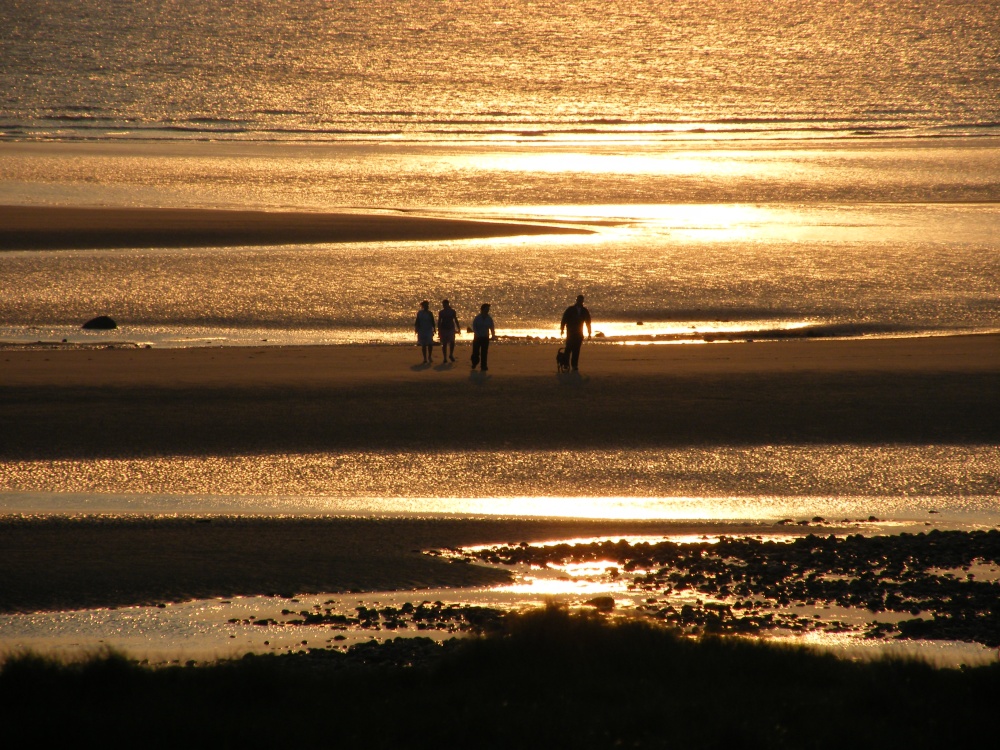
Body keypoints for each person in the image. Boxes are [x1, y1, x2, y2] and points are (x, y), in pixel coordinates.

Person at [559, 294, 592, 371]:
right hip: (570, 333)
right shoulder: (570, 309)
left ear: (582, 301)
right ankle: (566, 365)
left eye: (581, 300)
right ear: (576, 300)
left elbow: (588, 322)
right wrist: (562, 329)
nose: (580, 302)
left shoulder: (584, 311)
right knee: (568, 349)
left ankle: (574, 365)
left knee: (576, 351)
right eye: (579, 300)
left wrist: (589, 333)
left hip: (579, 334)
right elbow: (564, 319)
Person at [470, 303, 496, 371]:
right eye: (486, 309)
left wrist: (493, 335)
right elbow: (474, 327)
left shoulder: (489, 318)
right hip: (477, 337)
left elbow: (492, 327)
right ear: (482, 309)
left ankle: (483, 366)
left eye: (488, 309)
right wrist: (477, 334)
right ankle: (474, 363)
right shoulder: (477, 318)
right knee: (475, 352)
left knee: (484, 352)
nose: (487, 310)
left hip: (485, 337)